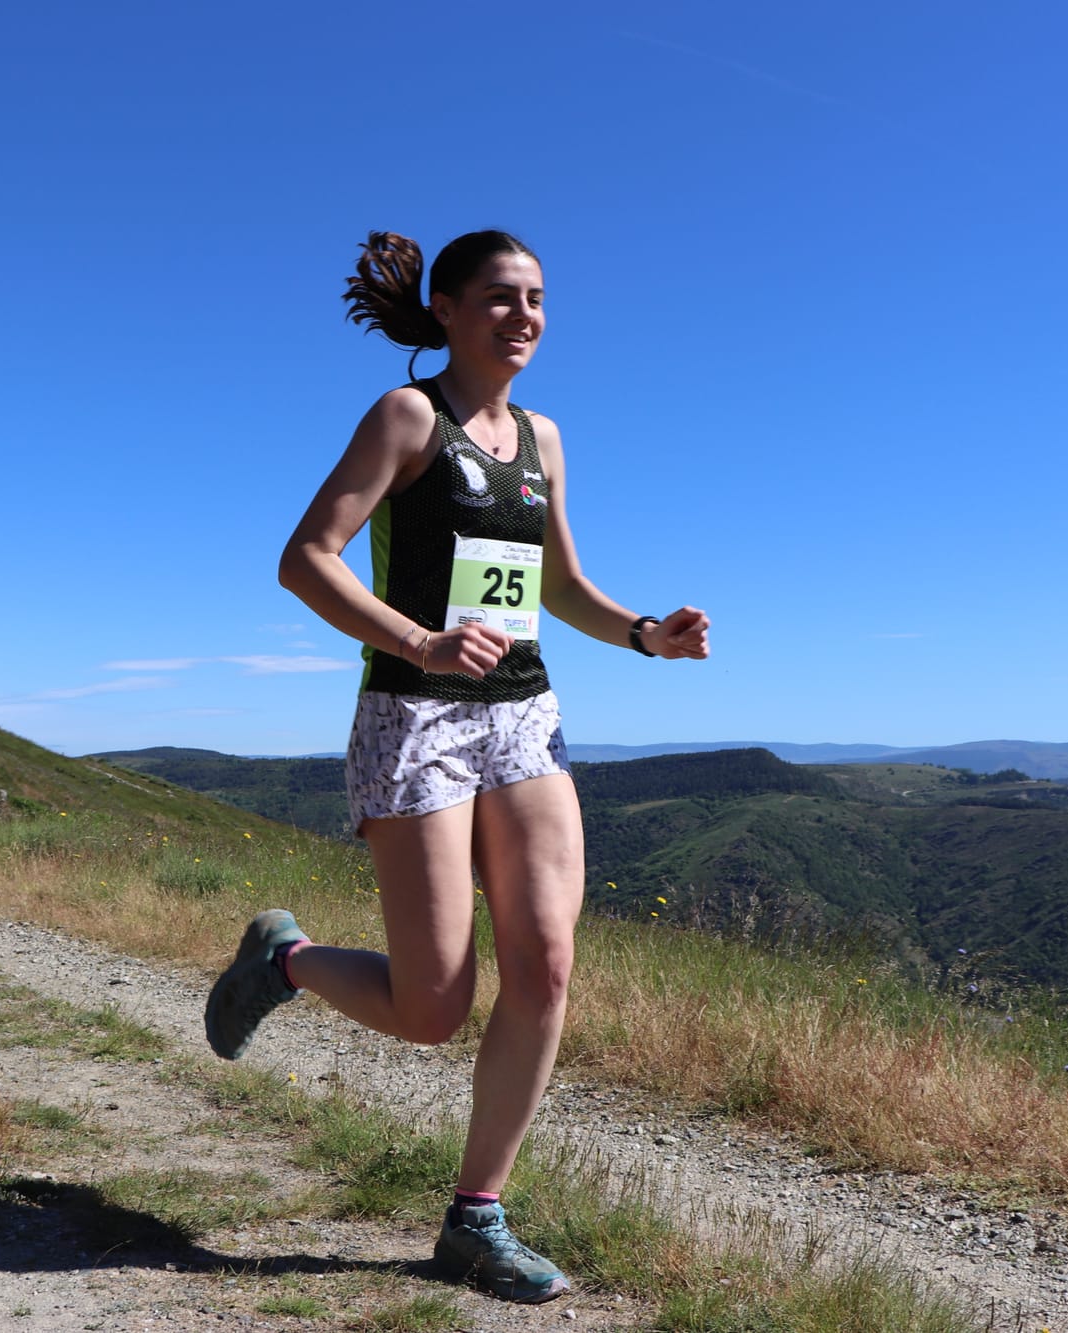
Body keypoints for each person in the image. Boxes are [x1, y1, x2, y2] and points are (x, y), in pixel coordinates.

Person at [205, 229, 709, 1303]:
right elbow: (305, 557)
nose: (521, 316)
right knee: (432, 1008)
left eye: (534, 300)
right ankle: (283, 958)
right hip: (416, 718)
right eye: (496, 298)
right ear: (443, 309)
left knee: (546, 964)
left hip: (522, 718)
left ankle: (475, 1218)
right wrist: (418, 642)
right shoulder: (406, 418)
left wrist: (641, 633)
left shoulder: (543, 438)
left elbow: (557, 585)